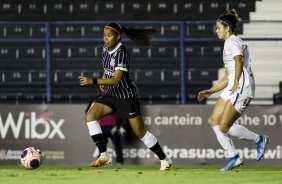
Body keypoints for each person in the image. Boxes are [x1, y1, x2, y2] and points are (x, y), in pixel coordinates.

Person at [78, 22, 172, 171]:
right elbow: (107, 68)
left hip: (126, 95)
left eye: (109, 36)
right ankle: (104, 155)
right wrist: (103, 78)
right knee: (90, 116)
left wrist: (94, 81)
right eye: (104, 35)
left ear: (118, 36)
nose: (106, 39)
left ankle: (164, 159)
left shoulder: (122, 53)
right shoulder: (104, 49)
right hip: (112, 94)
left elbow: (116, 80)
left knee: (140, 132)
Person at [197, 9, 270, 171]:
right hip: (233, 85)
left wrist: (236, 80)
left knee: (224, 126)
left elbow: (238, 60)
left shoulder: (232, 41)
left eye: (218, 27)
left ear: (227, 28)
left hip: (242, 87)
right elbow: (227, 75)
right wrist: (211, 91)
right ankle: (233, 156)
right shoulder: (228, 44)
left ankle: (259, 139)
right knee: (214, 120)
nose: (216, 30)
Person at [85, 89, 125, 165]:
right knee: (101, 144)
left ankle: (119, 162)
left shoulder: (117, 97)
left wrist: (119, 125)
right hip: (102, 126)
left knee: (117, 144)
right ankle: (100, 159)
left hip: (114, 126)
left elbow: (123, 112)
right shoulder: (97, 98)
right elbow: (88, 111)